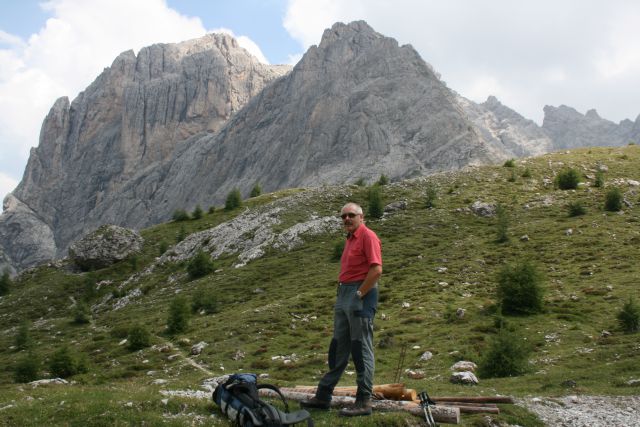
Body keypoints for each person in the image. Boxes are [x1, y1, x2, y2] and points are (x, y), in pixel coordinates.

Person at [301, 202, 382, 417]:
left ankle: (364, 401)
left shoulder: (368, 236)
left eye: (351, 215)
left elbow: (376, 269)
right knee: (338, 346)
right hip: (344, 293)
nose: (346, 219)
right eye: (343, 216)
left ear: (361, 217)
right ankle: (323, 396)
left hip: (359, 294)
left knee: (360, 347)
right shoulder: (350, 238)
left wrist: (359, 294)